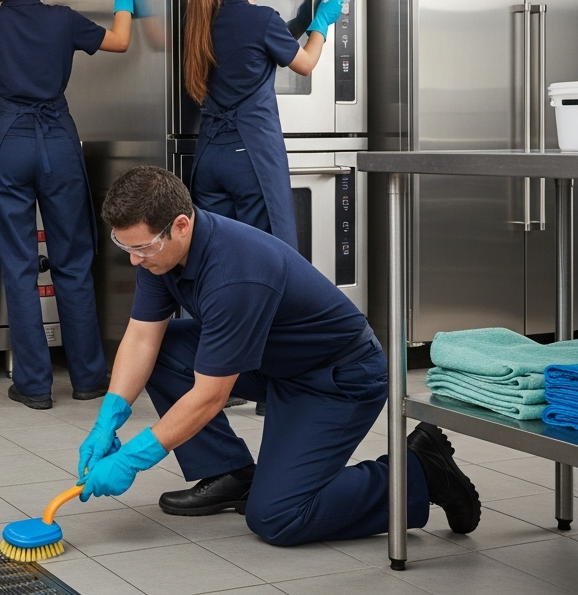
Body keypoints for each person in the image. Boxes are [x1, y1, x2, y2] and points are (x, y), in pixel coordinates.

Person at [73, 165, 480, 545]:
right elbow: (142, 338)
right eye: (125, 247)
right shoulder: (162, 258)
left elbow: (211, 395)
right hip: (274, 365)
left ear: (180, 225)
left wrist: (133, 457)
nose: (134, 260)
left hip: (338, 379)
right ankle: (229, 472)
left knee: (278, 516)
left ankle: (420, 471)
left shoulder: (235, 272)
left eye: (141, 247)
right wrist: (109, 416)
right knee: (164, 349)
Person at [0, 0, 133, 409]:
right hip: (58, 142)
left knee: (19, 268)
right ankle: (89, 380)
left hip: (10, 143)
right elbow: (120, 41)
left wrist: (10, 75)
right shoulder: (62, 19)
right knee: (73, 263)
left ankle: (35, 386)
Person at [182, 0, 349, 250]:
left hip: (209, 156)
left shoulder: (199, 17)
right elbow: (305, 65)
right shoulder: (262, 20)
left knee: (218, 257)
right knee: (269, 258)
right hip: (251, 156)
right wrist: (322, 22)